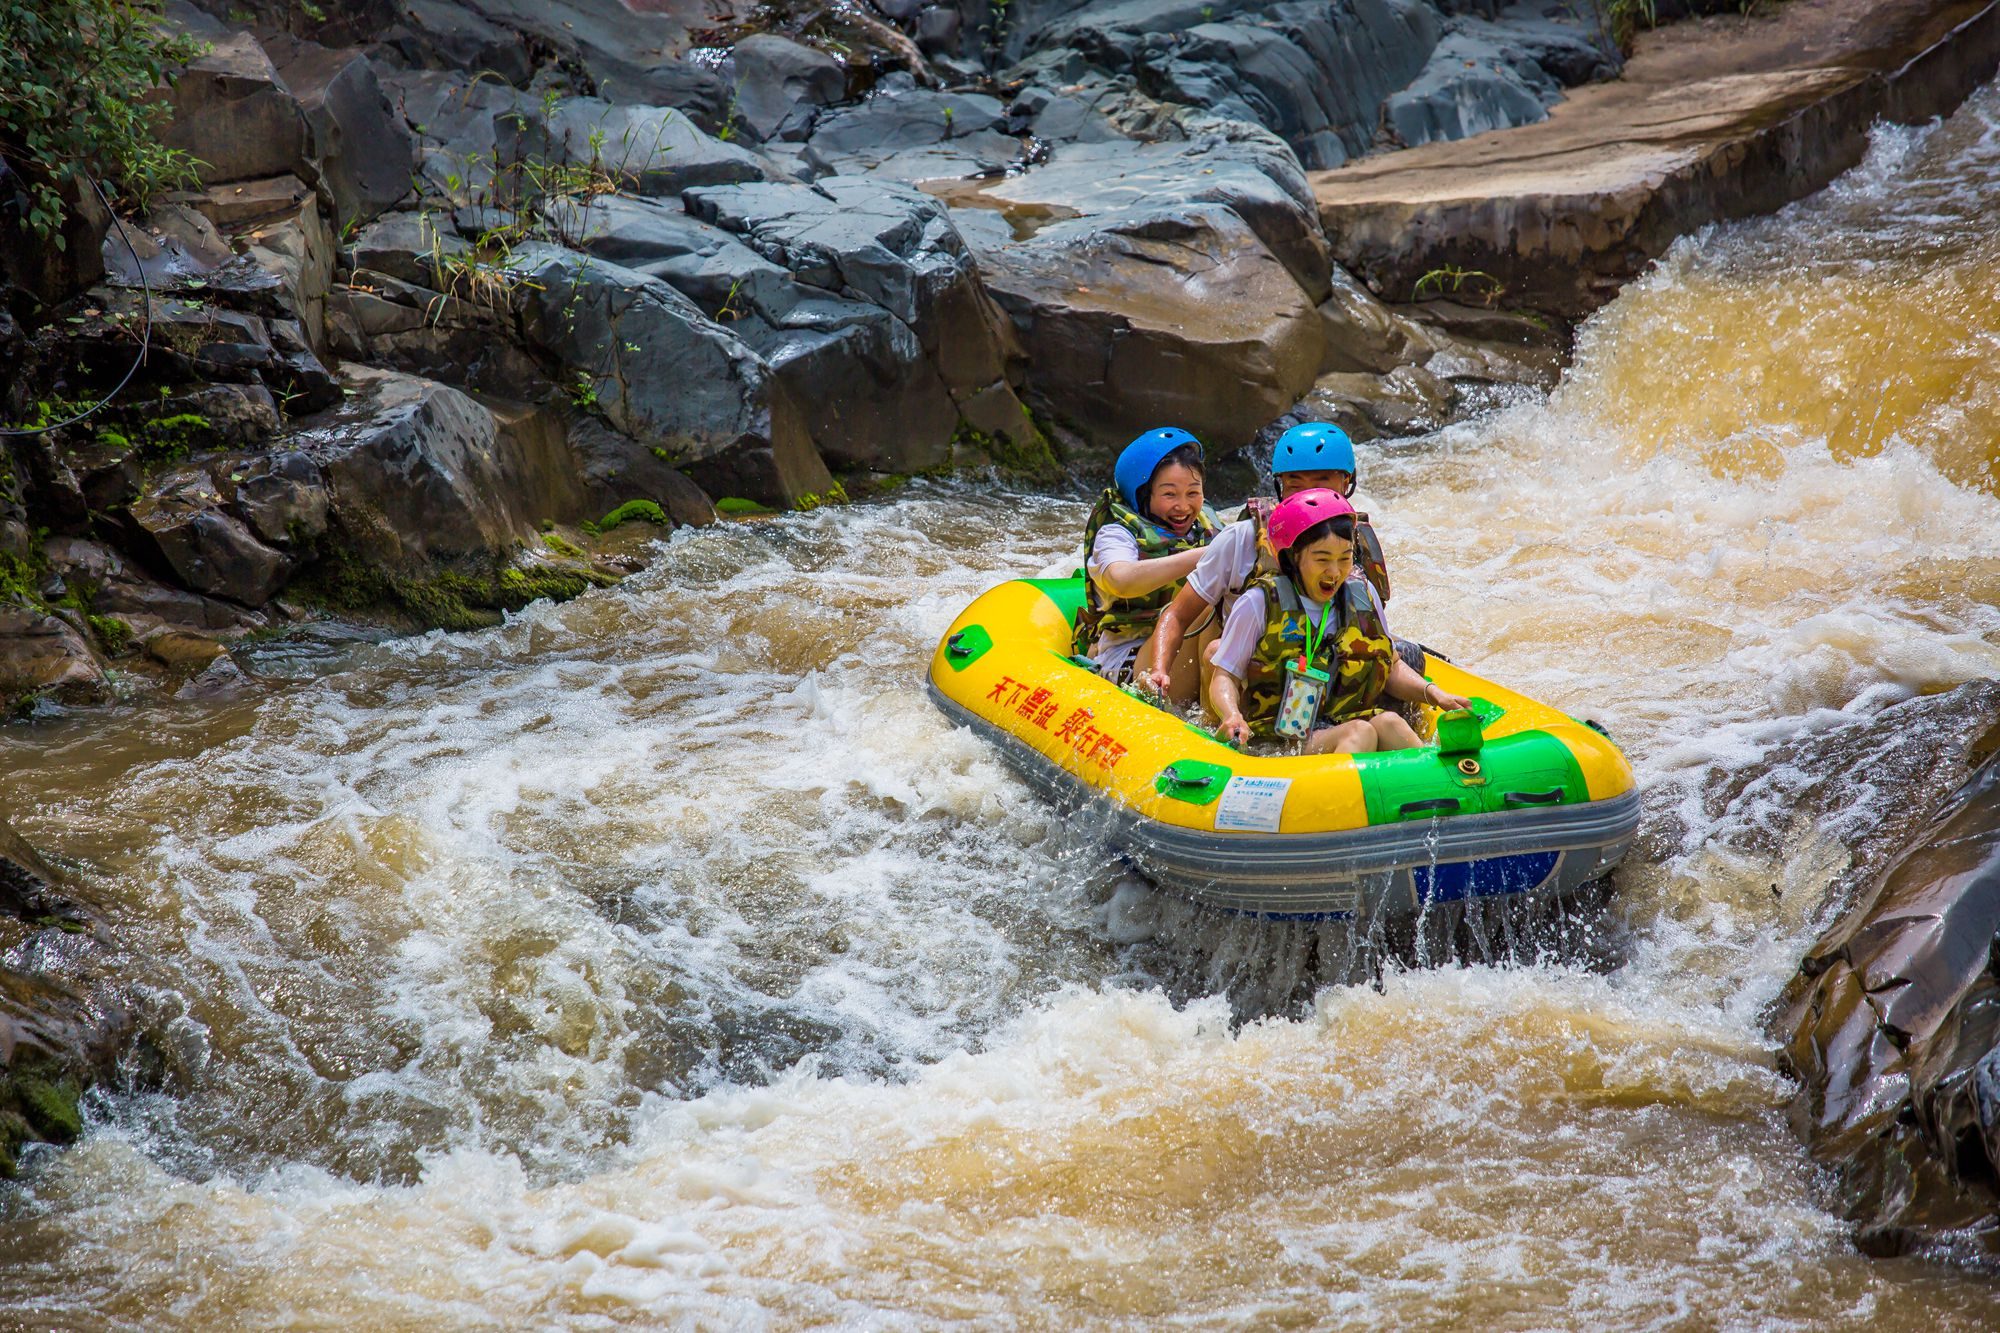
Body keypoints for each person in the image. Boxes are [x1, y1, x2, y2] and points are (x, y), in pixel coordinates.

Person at [1140, 422, 1393, 704]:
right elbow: (1178, 615)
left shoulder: (1354, 541)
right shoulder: (1242, 538)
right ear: (1279, 486)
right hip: (1252, 679)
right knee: (1215, 649)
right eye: (1295, 485)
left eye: (1322, 483)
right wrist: (1160, 670)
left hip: (1328, 674)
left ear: (1347, 483)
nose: (1308, 496)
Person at [1207, 489, 1468, 754]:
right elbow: (1225, 675)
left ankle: (1438, 788)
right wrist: (1231, 715)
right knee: (1361, 732)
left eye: (1345, 558)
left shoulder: (1363, 596)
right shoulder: (1258, 603)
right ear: (1292, 556)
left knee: (1390, 722)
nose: (1335, 571)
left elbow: (1391, 666)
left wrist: (1435, 694)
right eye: (1322, 559)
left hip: (1348, 720)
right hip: (1280, 741)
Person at [1076, 428, 1220, 686]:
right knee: (1205, 603)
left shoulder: (1207, 526)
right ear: (1143, 494)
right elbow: (1120, 580)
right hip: (1128, 657)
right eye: (1169, 494)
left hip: (1191, 654)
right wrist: (1208, 556)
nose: (1183, 506)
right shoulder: (1116, 534)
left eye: (1192, 492)